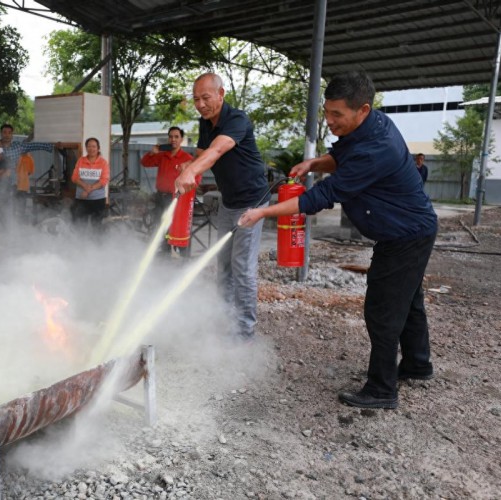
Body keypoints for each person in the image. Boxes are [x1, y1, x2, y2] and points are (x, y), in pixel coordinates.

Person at [239, 71, 438, 410]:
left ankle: (381, 389)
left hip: (405, 236)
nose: (330, 122)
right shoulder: (371, 125)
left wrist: (260, 213)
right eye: (327, 113)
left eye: (337, 115)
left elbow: (319, 198)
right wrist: (315, 162)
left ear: (362, 109)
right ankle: (418, 365)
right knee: (409, 301)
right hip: (411, 229)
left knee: (382, 310)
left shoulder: (377, 148)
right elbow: (341, 158)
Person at [174, 73, 268, 342]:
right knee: (223, 264)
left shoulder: (237, 119)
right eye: (196, 99)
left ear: (221, 94)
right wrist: (188, 166)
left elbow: (216, 151)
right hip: (229, 202)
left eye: (206, 98)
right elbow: (203, 154)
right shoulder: (205, 122)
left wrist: (192, 169)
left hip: (253, 202)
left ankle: (244, 331)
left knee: (242, 267)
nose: (201, 104)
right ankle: (223, 319)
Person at [141, 126, 195, 252]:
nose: (173, 139)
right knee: (161, 228)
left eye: (176, 137)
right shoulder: (162, 155)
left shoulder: (187, 159)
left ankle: (182, 257)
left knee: (178, 228)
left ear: (182, 139)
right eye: (170, 137)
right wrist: (151, 153)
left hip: (177, 199)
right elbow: (145, 163)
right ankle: (163, 256)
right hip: (160, 197)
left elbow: (195, 179)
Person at [71, 137, 109, 229]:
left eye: (94, 146)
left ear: (98, 148)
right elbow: (74, 177)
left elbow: (104, 180)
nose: (91, 149)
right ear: (86, 148)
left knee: (96, 227)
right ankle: (80, 243)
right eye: (89, 146)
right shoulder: (81, 160)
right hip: (81, 199)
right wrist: (85, 186)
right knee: (79, 226)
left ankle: (95, 243)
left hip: (98, 200)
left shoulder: (103, 162)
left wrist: (87, 191)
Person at [15, 152, 35, 218]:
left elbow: (30, 171)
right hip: (20, 185)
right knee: (19, 204)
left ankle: (19, 219)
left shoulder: (28, 158)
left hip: (21, 185)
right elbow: (30, 172)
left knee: (19, 204)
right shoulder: (28, 157)